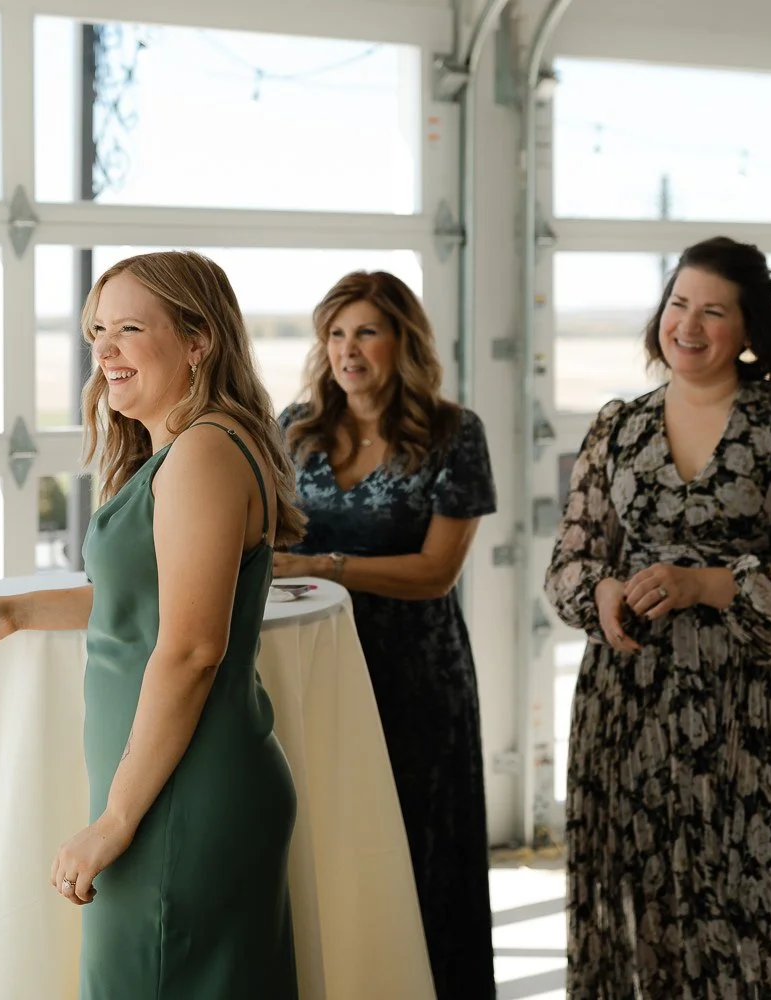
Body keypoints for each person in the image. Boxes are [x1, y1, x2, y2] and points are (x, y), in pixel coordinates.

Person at [0, 251, 303, 1000]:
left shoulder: (202, 452)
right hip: (173, 786)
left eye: (131, 328)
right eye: (98, 329)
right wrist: (19, 610)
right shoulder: (182, 450)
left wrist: (114, 821)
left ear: (198, 341)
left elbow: (194, 649)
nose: (104, 350)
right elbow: (149, 601)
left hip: (179, 800)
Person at [544, 237, 771, 997]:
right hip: (632, 707)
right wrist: (601, 592)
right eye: (677, 304)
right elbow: (569, 563)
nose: (688, 326)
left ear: (749, 329)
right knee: (659, 913)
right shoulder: (617, 427)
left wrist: (709, 585)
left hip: (759, 711)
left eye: (713, 311)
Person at [274, 269, 497, 1000]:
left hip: (417, 676)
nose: (349, 349)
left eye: (366, 331)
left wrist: (322, 565)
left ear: (404, 340)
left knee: (417, 852)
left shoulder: (454, 434)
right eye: (336, 334)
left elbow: (435, 573)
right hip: (314, 670)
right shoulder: (296, 429)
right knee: (326, 850)